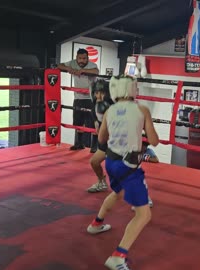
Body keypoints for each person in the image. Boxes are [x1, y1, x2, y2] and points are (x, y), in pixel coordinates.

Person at [86, 75, 159, 270]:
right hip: (129, 166)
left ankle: (96, 223)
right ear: (133, 88)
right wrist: (141, 126)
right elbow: (154, 141)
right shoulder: (141, 109)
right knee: (144, 215)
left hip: (110, 162)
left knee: (117, 192)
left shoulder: (109, 110)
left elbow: (101, 139)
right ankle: (118, 256)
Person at [57, 48, 99, 152]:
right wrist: (68, 69)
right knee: (78, 122)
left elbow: (96, 71)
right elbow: (59, 65)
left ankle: (94, 146)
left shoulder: (92, 65)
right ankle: (79, 143)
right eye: (79, 58)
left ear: (87, 58)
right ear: (76, 58)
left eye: (84, 58)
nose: (81, 61)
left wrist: (83, 71)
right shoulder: (73, 63)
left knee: (93, 123)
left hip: (91, 99)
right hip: (78, 98)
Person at [86, 80, 114, 193]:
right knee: (94, 162)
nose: (98, 95)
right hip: (105, 142)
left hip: (117, 143)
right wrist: (97, 124)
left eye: (101, 93)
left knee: (125, 170)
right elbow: (96, 123)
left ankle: (142, 194)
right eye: (96, 93)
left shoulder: (114, 107)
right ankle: (101, 182)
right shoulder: (95, 108)